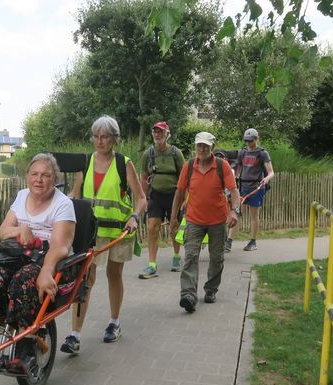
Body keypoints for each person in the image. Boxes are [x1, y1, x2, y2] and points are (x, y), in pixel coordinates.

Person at [0, 153, 76, 373]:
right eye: (34, 174)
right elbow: (4, 231)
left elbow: (61, 246)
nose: (39, 180)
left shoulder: (63, 204)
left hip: (49, 259)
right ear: (27, 176)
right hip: (18, 256)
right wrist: (20, 230)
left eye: (45, 175)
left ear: (54, 179)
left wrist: (46, 271)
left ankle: (26, 352)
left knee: (24, 281)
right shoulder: (22, 196)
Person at [60, 116, 147, 354]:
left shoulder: (123, 163)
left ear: (114, 139)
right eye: (96, 136)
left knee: (114, 274)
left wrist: (134, 217)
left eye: (105, 136)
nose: (100, 141)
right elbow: (74, 194)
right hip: (90, 232)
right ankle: (75, 334)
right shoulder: (86, 162)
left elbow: (141, 198)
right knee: (85, 278)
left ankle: (114, 322)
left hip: (119, 231)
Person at [170, 131, 240, 313]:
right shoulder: (189, 165)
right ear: (195, 147)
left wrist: (234, 211)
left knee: (216, 258)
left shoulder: (221, 166)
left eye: (206, 146)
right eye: (199, 146)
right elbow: (179, 193)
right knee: (191, 256)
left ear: (212, 148)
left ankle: (210, 289)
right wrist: (173, 218)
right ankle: (188, 295)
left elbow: (233, 191)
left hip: (218, 220)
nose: (202, 149)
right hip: (194, 219)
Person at [139, 121, 185, 278]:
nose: (157, 135)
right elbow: (144, 177)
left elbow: (184, 177)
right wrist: (143, 198)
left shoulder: (175, 153)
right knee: (152, 227)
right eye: (155, 132)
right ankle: (152, 264)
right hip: (156, 195)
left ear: (167, 135)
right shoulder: (148, 154)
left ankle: (177, 256)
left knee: (174, 227)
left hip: (174, 195)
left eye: (161, 132)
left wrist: (184, 199)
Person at [226, 128, 275, 252]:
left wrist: (267, 179)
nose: (248, 143)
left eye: (250, 141)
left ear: (257, 139)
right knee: (237, 213)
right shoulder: (242, 152)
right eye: (246, 141)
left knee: (254, 215)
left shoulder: (263, 153)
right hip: (242, 187)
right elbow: (238, 168)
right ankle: (229, 241)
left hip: (256, 187)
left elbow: (271, 172)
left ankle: (253, 241)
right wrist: (235, 177)